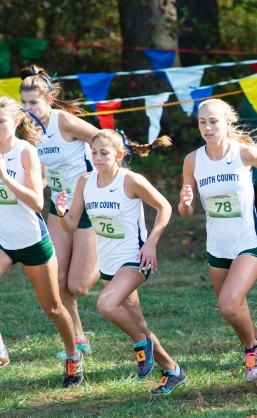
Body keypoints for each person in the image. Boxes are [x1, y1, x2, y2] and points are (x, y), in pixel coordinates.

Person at [56, 129, 186, 395]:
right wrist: (61, 213)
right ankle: (173, 370)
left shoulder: (131, 180)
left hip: (135, 259)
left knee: (105, 305)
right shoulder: (84, 181)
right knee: (138, 324)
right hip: (108, 265)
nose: (97, 157)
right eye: (93, 152)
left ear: (119, 155)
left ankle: (141, 345)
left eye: (104, 153)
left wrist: (151, 243)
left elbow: (165, 207)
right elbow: (70, 226)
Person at [0, 96, 82, 388]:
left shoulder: (26, 153)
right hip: (0, 238)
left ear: (16, 122)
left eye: (1, 121)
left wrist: (6, 177)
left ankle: (73, 356)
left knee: (53, 308)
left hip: (32, 240)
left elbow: (35, 202)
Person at [178, 98, 257, 394]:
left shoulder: (243, 153)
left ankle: (251, 349)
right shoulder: (193, 160)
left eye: (213, 121)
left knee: (229, 304)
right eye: (202, 122)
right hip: (217, 248)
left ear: (228, 123)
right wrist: (185, 203)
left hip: (248, 242)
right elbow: (185, 211)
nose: (207, 127)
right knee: (235, 310)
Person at [18, 65, 99, 359]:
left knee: (77, 285)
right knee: (58, 278)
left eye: (33, 103)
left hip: (88, 203)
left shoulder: (64, 122)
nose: (27, 109)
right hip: (58, 204)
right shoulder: (27, 130)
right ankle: (79, 339)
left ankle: (110, 253)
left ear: (49, 100)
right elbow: (39, 171)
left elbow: (104, 141)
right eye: (23, 103)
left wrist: (108, 179)